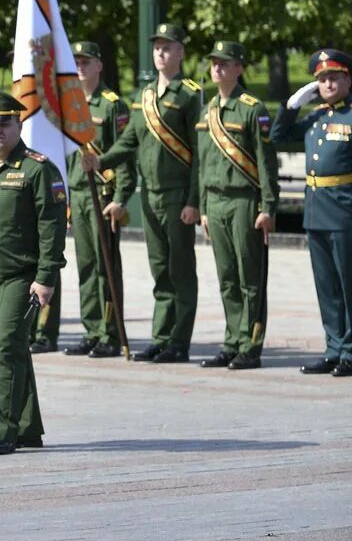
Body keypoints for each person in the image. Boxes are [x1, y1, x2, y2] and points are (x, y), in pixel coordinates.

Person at [82, 22, 202, 363]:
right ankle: (161, 336)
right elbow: (130, 141)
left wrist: (194, 201)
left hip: (178, 194)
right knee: (160, 269)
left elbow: (198, 153)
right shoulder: (144, 96)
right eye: (156, 47)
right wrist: (101, 159)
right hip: (150, 195)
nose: (160, 53)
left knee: (180, 270)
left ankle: (180, 340)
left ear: (180, 52)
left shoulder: (190, 94)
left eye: (167, 47)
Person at [0, 92, 67, 455]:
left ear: (19, 124)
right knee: (14, 348)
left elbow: (52, 227)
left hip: (21, 275)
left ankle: (2, 429)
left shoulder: (38, 169)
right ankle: (27, 427)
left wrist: (47, 275)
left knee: (4, 348)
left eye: (4, 121)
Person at [195, 40, 278, 370]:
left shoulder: (252, 108)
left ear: (239, 67)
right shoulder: (208, 110)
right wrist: (202, 206)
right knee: (227, 277)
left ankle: (251, 343)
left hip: (244, 199)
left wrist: (268, 206)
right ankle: (232, 340)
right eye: (215, 62)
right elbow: (203, 162)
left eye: (225, 63)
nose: (218, 67)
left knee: (249, 277)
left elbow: (265, 162)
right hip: (215, 201)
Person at [270, 48, 352, 377]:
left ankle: (349, 351)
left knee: (348, 285)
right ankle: (334, 349)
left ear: (348, 79)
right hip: (316, 211)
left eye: (334, 77)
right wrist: (291, 106)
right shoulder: (316, 117)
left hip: (345, 211)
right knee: (326, 287)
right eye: (321, 79)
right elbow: (278, 136)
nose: (327, 83)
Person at [59, 41, 135, 359]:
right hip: (77, 193)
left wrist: (121, 198)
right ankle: (92, 330)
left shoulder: (112, 104)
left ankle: (110, 331)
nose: (81, 66)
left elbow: (125, 156)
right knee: (87, 267)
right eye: (76, 61)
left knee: (107, 266)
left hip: (102, 195)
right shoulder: (69, 104)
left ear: (99, 66)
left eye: (87, 61)